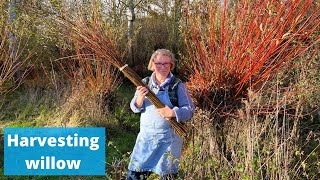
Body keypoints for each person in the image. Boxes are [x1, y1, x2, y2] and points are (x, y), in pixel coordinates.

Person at [126, 49, 195, 180]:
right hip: (146, 140)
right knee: (134, 175)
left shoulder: (177, 86)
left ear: (171, 65)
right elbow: (134, 107)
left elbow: (190, 110)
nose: (162, 67)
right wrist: (140, 97)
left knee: (167, 175)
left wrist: (173, 112)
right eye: (159, 63)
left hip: (169, 141)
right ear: (152, 64)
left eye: (166, 64)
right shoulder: (144, 82)